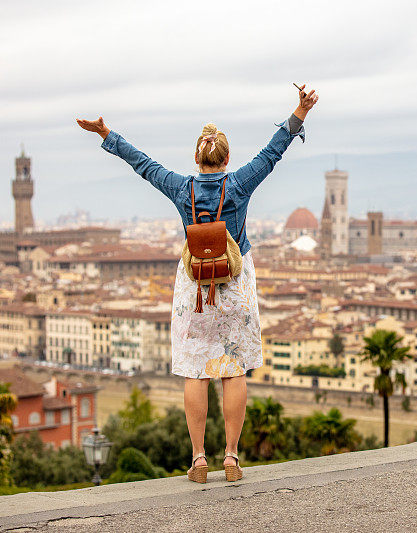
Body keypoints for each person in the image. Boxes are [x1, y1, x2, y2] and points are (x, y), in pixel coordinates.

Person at [76, 85, 318, 483]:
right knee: (233, 369)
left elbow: (143, 164)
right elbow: (274, 151)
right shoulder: (239, 183)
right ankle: (232, 457)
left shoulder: (180, 187)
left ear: (197, 157)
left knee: (196, 371)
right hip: (236, 286)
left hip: (194, 293)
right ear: (226, 158)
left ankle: (199, 459)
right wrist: (299, 112)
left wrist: (107, 135)